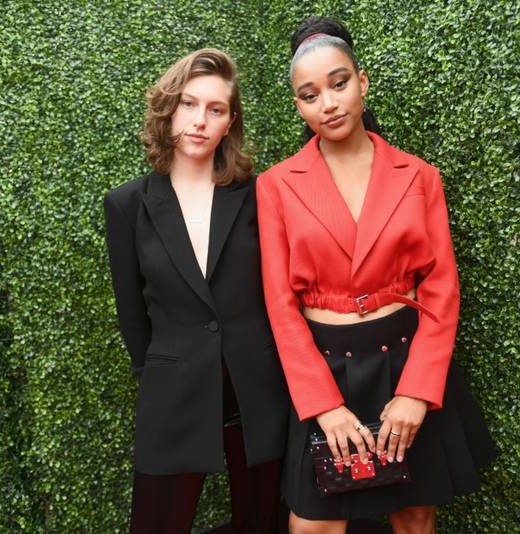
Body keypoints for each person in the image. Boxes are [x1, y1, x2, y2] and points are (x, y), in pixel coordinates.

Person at [256, 17, 497, 534]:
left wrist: (418, 391)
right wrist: (323, 405)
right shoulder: (275, 186)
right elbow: (280, 304)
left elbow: (441, 287)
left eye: (339, 83)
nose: (329, 102)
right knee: (314, 524)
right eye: (310, 93)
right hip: (324, 367)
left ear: (362, 83)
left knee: (414, 518)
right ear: (298, 105)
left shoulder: (419, 176)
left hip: (405, 362)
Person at [104, 48, 290, 534]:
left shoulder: (259, 194)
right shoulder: (127, 204)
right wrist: (160, 372)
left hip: (257, 389)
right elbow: (132, 313)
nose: (200, 120)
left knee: (261, 522)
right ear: (168, 110)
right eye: (188, 104)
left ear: (230, 123)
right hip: (175, 390)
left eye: (216, 109)